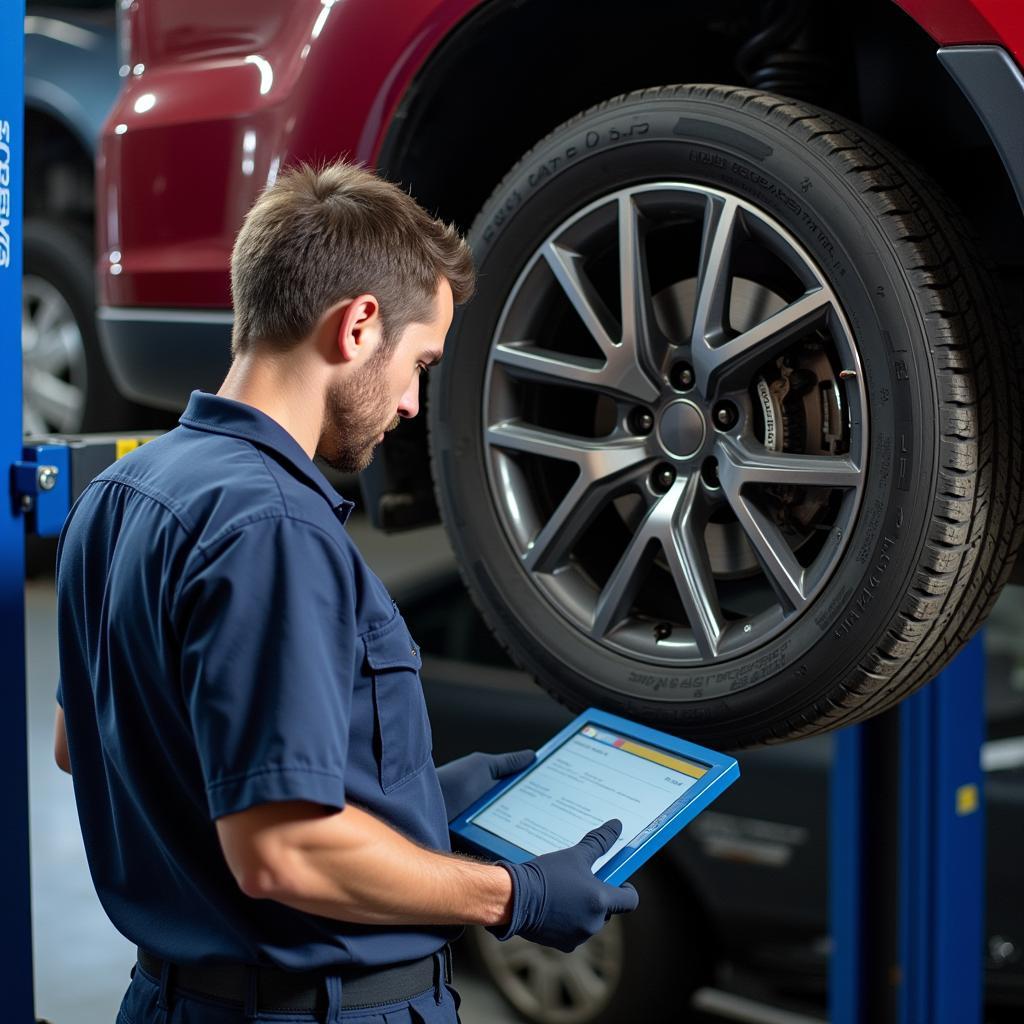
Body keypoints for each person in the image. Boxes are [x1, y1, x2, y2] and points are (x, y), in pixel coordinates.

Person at [54, 162, 639, 1024]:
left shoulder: (121, 494)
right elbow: (282, 853)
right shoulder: (274, 525)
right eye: (419, 363)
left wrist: (416, 797)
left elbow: (91, 744)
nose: (410, 403)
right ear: (359, 325)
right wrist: (510, 896)